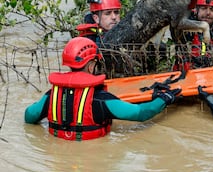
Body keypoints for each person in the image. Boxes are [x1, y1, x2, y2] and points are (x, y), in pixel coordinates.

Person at [24, 37, 181, 141]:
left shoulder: (52, 95)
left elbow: (29, 116)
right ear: (92, 65)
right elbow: (141, 114)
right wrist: (164, 99)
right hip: (92, 160)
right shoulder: (101, 99)